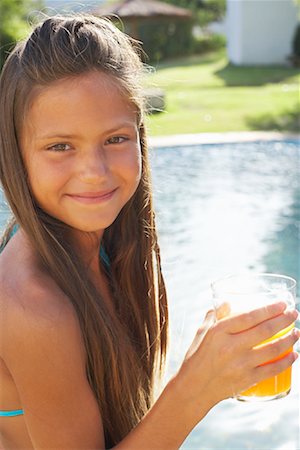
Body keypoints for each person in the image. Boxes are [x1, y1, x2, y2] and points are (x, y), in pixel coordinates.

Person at [0, 14, 298, 450]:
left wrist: (205, 363)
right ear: (16, 154)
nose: (94, 172)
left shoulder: (106, 245)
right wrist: (196, 388)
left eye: (115, 139)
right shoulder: (32, 307)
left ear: (139, 135)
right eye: (59, 146)